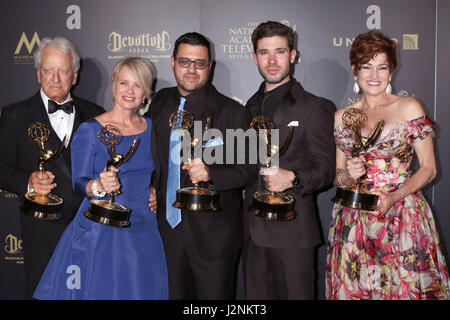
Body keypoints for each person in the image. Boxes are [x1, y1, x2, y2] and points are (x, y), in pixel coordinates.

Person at [326, 30, 450, 300]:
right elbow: (338, 177)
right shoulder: (341, 117)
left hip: (402, 215)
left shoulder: (409, 107)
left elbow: (429, 168)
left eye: (381, 67)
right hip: (354, 219)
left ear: (391, 71)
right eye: (366, 67)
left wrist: (394, 196)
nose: (374, 75)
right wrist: (347, 174)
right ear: (355, 69)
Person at [33, 57, 169, 299]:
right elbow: (79, 182)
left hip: (144, 228)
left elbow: (162, 171)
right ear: (113, 85)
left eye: (138, 85)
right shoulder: (90, 129)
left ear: (147, 93)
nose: (129, 91)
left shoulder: (153, 128)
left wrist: (155, 190)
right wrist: (97, 185)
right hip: (103, 227)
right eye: (123, 82)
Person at [145, 32, 256, 299]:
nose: (192, 70)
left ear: (210, 66)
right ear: (172, 62)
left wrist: (211, 173)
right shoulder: (159, 102)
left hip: (213, 237)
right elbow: (151, 155)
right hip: (165, 232)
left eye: (200, 63)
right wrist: (148, 185)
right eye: (184, 61)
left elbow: (250, 169)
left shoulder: (233, 112)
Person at [0, 37, 104, 299]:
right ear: (38, 74)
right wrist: (29, 182)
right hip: (40, 232)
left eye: (63, 70)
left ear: (75, 76)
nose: (55, 78)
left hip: (87, 228)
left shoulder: (97, 115)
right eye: (48, 70)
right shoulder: (14, 115)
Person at [243, 21, 336, 299]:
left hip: (293, 233)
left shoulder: (315, 106)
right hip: (251, 233)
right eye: (264, 53)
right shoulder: (245, 107)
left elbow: (326, 171)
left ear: (293, 55)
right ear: (254, 57)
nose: (272, 61)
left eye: (280, 52)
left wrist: (293, 177)